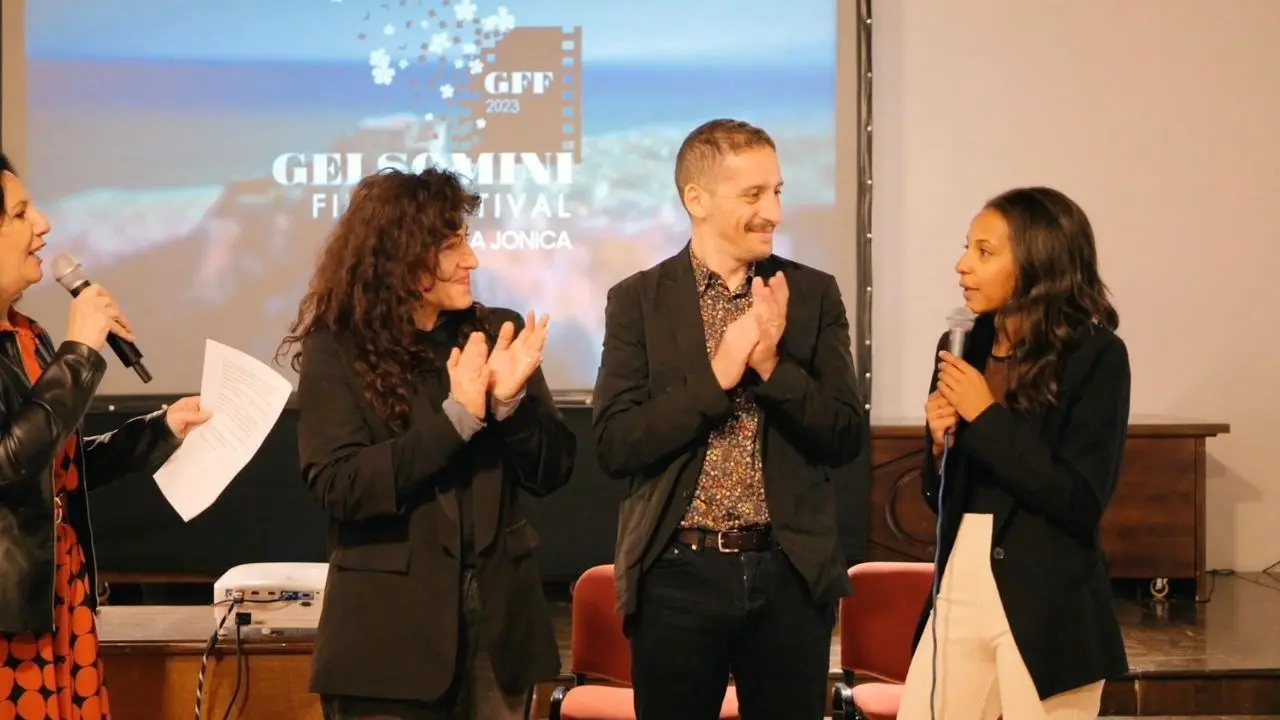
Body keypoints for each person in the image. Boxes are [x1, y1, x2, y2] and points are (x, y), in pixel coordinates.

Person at [591, 119, 865, 720]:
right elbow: (616, 444)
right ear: (696, 199)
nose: (774, 211)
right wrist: (719, 374)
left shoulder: (813, 294)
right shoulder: (637, 300)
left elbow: (844, 433)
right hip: (676, 576)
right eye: (753, 195)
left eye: (778, 192)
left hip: (790, 576)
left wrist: (770, 367)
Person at [279, 166, 576, 720]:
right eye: (449, 246)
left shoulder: (495, 331)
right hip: (387, 645)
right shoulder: (337, 350)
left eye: (465, 240)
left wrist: (508, 409)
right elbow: (341, 485)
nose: (472, 260)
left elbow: (552, 470)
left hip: (500, 636)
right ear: (399, 256)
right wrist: (458, 419)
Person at [898, 186, 1130, 720]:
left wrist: (985, 417)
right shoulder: (962, 344)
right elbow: (941, 497)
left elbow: (1078, 500)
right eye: (966, 249)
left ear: (1037, 262)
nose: (962, 265)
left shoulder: (1096, 356)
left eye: (984, 252)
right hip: (960, 574)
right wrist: (938, 447)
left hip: (1049, 592)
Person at [0, 151, 211, 719]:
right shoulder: (57, 345)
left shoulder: (27, 334)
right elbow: (8, 460)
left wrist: (159, 429)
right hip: (8, 618)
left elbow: (56, 463)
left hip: (59, 595)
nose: (43, 224)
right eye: (20, 214)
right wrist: (79, 353)